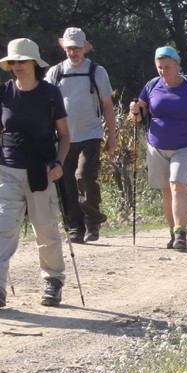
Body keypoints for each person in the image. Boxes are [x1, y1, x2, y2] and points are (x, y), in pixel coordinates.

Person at [0, 38, 72, 309]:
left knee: (45, 229)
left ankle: (53, 281)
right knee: (4, 228)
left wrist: (58, 164)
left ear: (34, 63)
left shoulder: (50, 94)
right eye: (13, 61)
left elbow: (64, 136)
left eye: (22, 61)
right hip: (8, 170)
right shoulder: (3, 93)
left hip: (42, 171)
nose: (17, 66)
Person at [129, 46, 187, 251]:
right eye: (159, 67)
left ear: (177, 64)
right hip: (157, 147)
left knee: (177, 184)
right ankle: (173, 232)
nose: (163, 71)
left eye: (167, 67)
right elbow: (138, 115)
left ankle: (181, 233)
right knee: (166, 190)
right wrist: (133, 110)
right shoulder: (152, 86)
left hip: (185, 145)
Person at [43, 27, 117, 243]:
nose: (73, 52)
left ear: (85, 48)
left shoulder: (97, 71)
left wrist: (112, 136)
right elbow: (46, 104)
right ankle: (75, 227)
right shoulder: (55, 72)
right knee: (66, 182)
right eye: (69, 48)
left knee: (84, 176)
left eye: (76, 48)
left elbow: (108, 106)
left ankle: (92, 222)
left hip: (91, 133)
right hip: (64, 136)